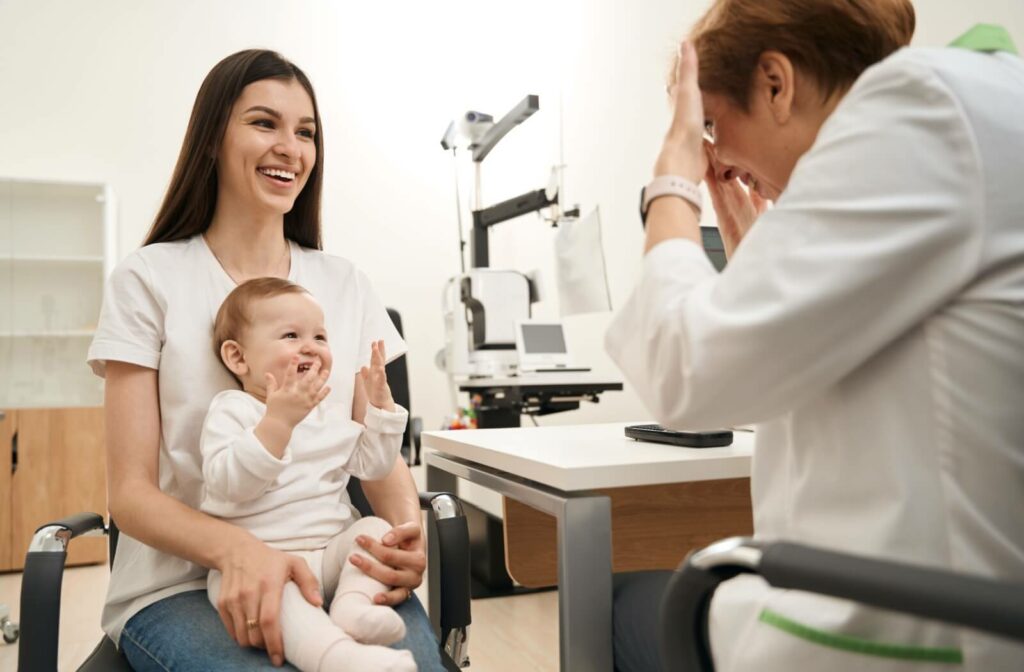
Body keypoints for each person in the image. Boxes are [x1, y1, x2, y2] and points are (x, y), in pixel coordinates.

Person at [605, 1, 1024, 671]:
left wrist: (671, 180)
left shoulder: (917, 113)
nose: (721, 159)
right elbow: (811, 363)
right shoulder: (977, 107)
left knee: (616, 604)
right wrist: (754, 252)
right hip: (952, 603)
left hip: (909, 631)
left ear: (776, 83)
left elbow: (683, 373)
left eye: (711, 123)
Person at [88, 49, 444, 671]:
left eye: (305, 132)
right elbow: (131, 495)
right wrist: (235, 549)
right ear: (212, 139)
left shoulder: (346, 283)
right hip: (182, 585)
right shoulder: (148, 279)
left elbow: (378, 462)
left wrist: (404, 537)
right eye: (264, 123)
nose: (291, 147)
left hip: (333, 561)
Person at [201, 277, 414, 672]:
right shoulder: (233, 410)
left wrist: (382, 412)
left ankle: (354, 605)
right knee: (284, 606)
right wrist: (278, 423)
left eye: (320, 336)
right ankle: (338, 658)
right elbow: (227, 485)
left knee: (371, 527)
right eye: (290, 335)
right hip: (262, 568)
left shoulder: (324, 414)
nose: (311, 346)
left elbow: (374, 465)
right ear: (238, 358)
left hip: (329, 556)